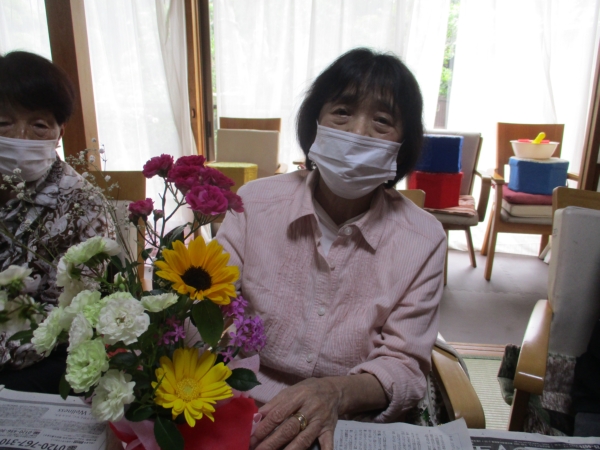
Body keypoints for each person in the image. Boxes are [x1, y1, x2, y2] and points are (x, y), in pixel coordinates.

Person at [216, 48, 446, 450]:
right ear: (315, 123)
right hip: (241, 407)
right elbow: (209, 310)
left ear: (403, 143)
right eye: (342, 112)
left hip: (350, 420)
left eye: (382, 121)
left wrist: (335, 393)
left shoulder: (423, 239)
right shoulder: (254, 204)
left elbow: (405, 365)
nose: (358, 132)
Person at [0, 51, 113, 392]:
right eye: (4, 123)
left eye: (38, 125)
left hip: (35, 360)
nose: (21, 137)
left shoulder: (82, 204)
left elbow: (67, 313)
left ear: (59, 132)